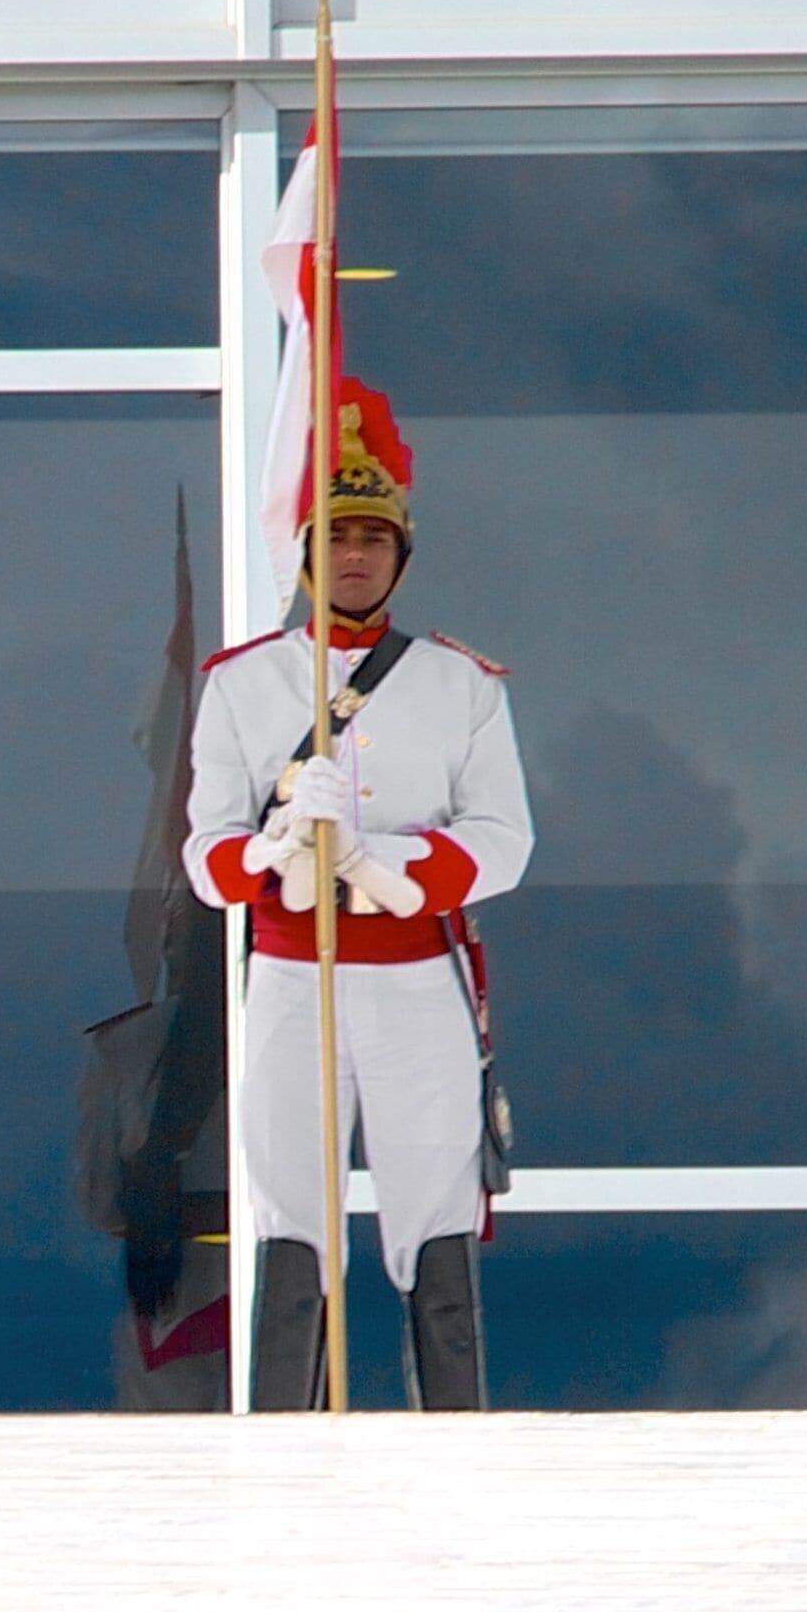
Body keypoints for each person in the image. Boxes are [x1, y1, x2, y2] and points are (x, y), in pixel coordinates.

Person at [183, 380, 528, 1409]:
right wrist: (285, 844)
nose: (356, 556)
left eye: (376, 538)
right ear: (303, 553)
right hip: (295, 976)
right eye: (336, 536)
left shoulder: (460, 684)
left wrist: (381, 862)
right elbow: (208, 861)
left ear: (401, 556)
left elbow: (505, 843)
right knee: (293, 1215)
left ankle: (455, 1440)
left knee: (435, 1216)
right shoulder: (243, 685)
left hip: (414, 981)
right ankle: (283, 1444)